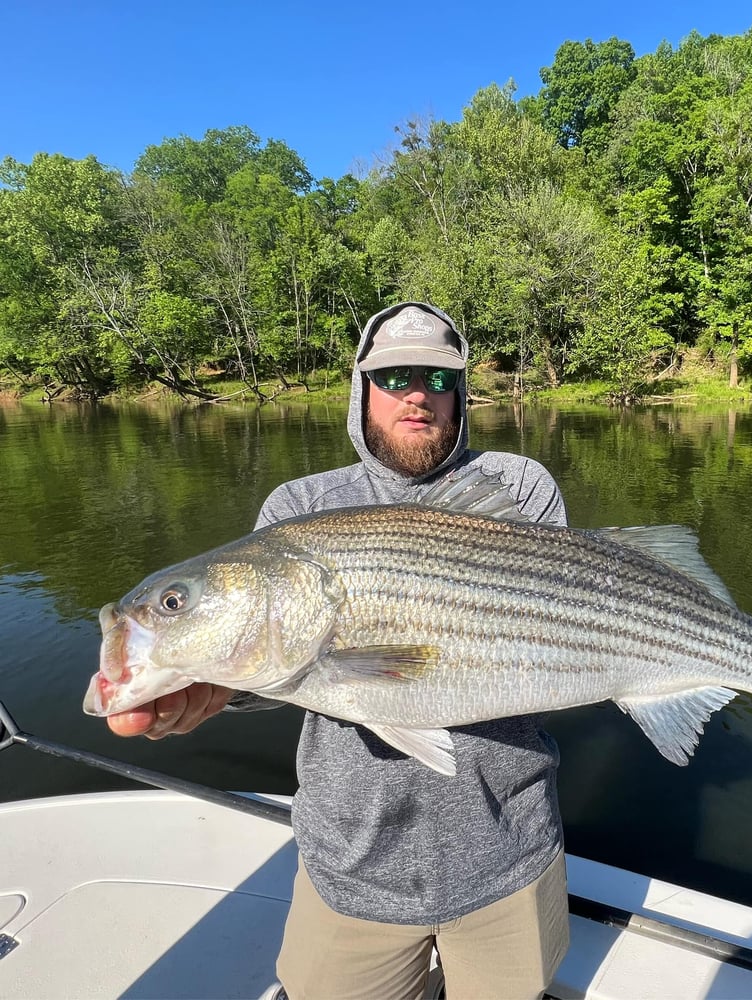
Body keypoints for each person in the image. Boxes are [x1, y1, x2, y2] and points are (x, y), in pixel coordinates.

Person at [107, 301, 571, 1000]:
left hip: (509, 847)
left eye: (438, 380)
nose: (417, 394)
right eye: (394, 377)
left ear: (461, 396)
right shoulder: (297, 507)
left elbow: (569, 629)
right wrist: (223, 687)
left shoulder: (519, 487)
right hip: (353, 861)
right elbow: (283, 665)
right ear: (362, 389)